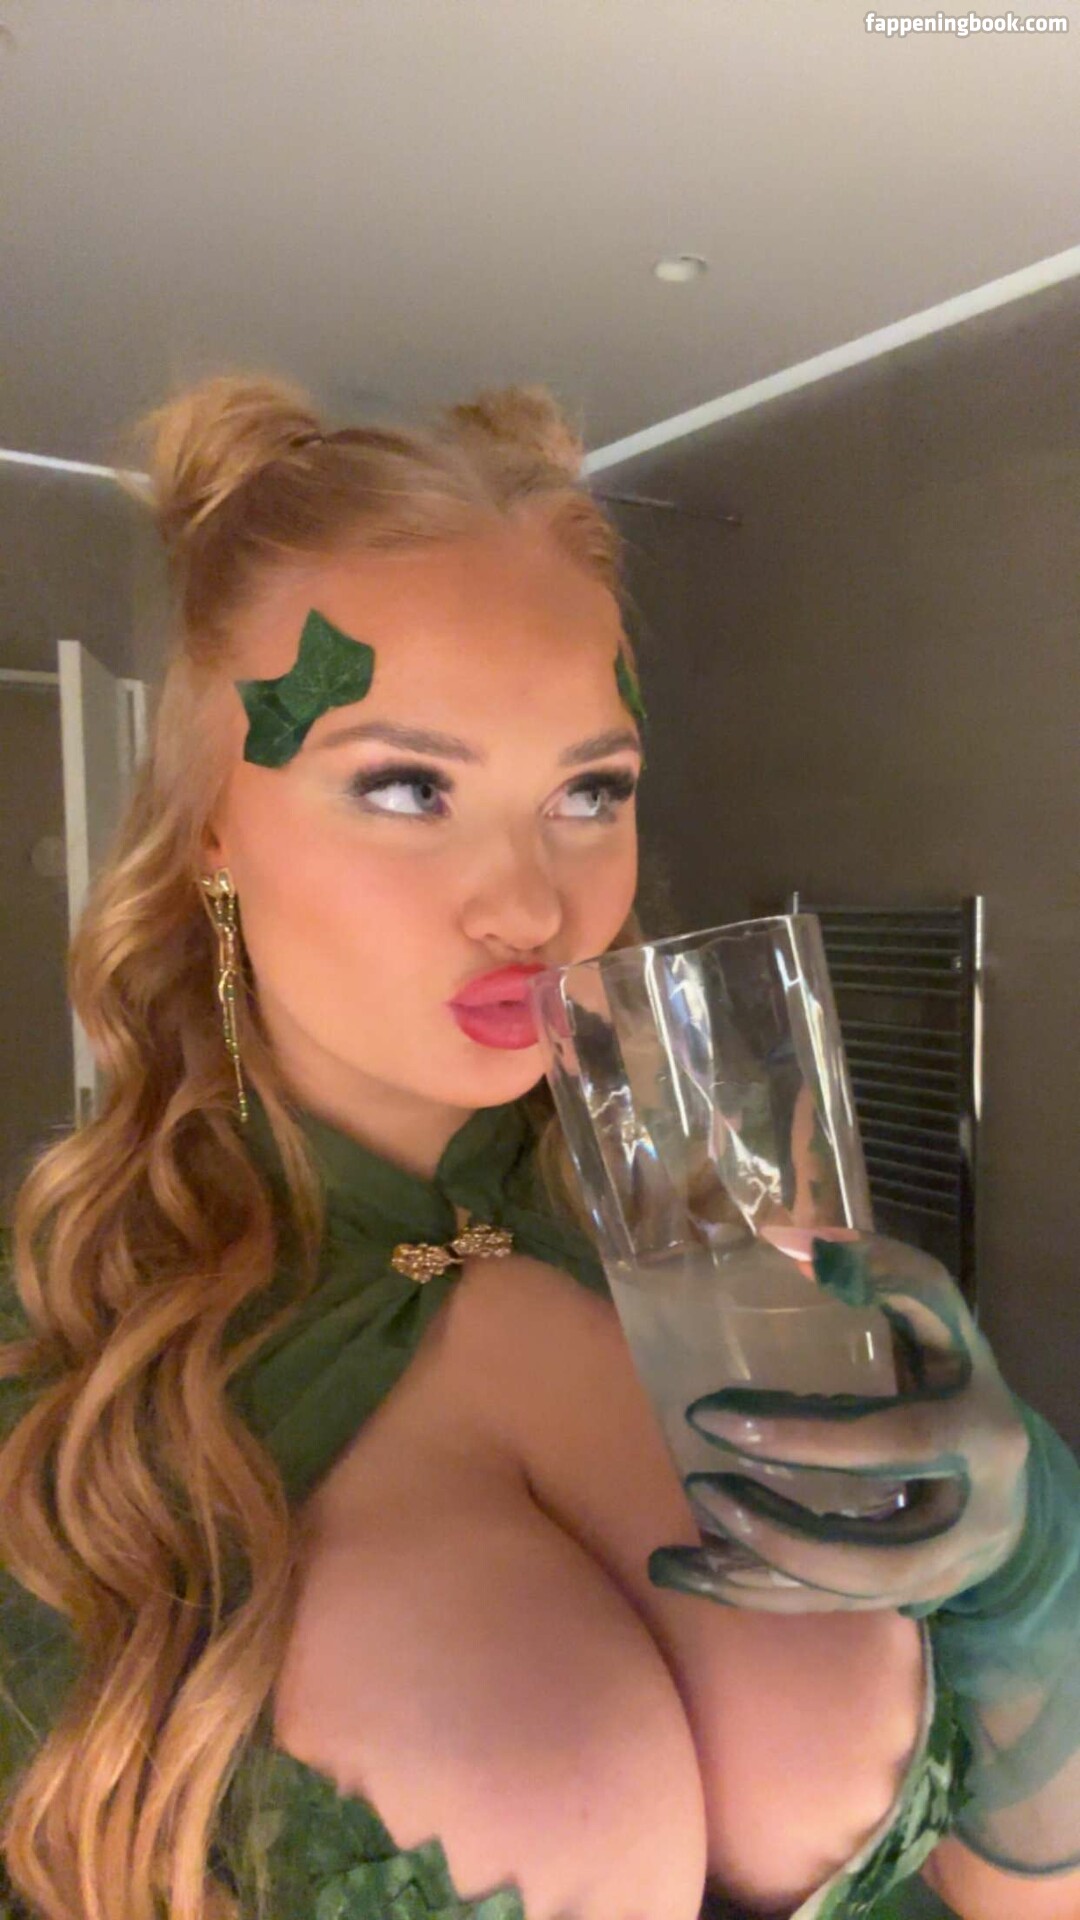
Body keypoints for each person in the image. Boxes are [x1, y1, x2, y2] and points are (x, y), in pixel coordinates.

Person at [0, 373, 1075, 1920]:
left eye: (588, 790)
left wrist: (1028, 1569)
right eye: (408, 786)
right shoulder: (72, 1397)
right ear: (210, 826)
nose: (529, 903)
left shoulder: (719, 1252)